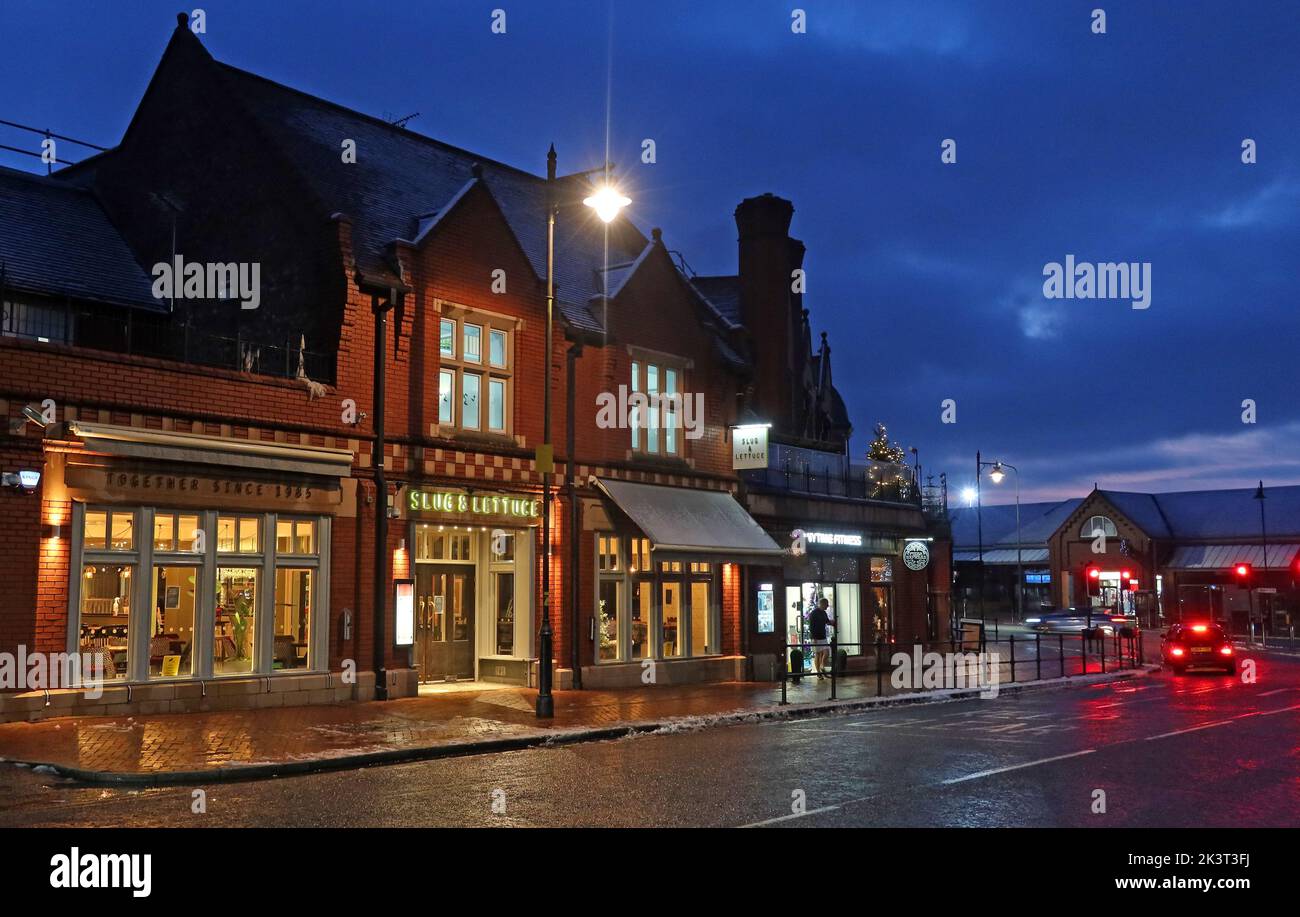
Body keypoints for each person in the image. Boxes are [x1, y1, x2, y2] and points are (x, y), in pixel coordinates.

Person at [808, 596, 834, 679]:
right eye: (826, 604)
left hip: (823, 636)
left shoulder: (824, 613)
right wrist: (814, 638)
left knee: (826, 651)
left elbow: (826, 621)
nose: (827, 606)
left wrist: (832, 622)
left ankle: (822, 666)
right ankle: (818, 672)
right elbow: (811, 626)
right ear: (822, 604)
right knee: (818, 654)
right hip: (815, 637)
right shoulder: (814, 613)